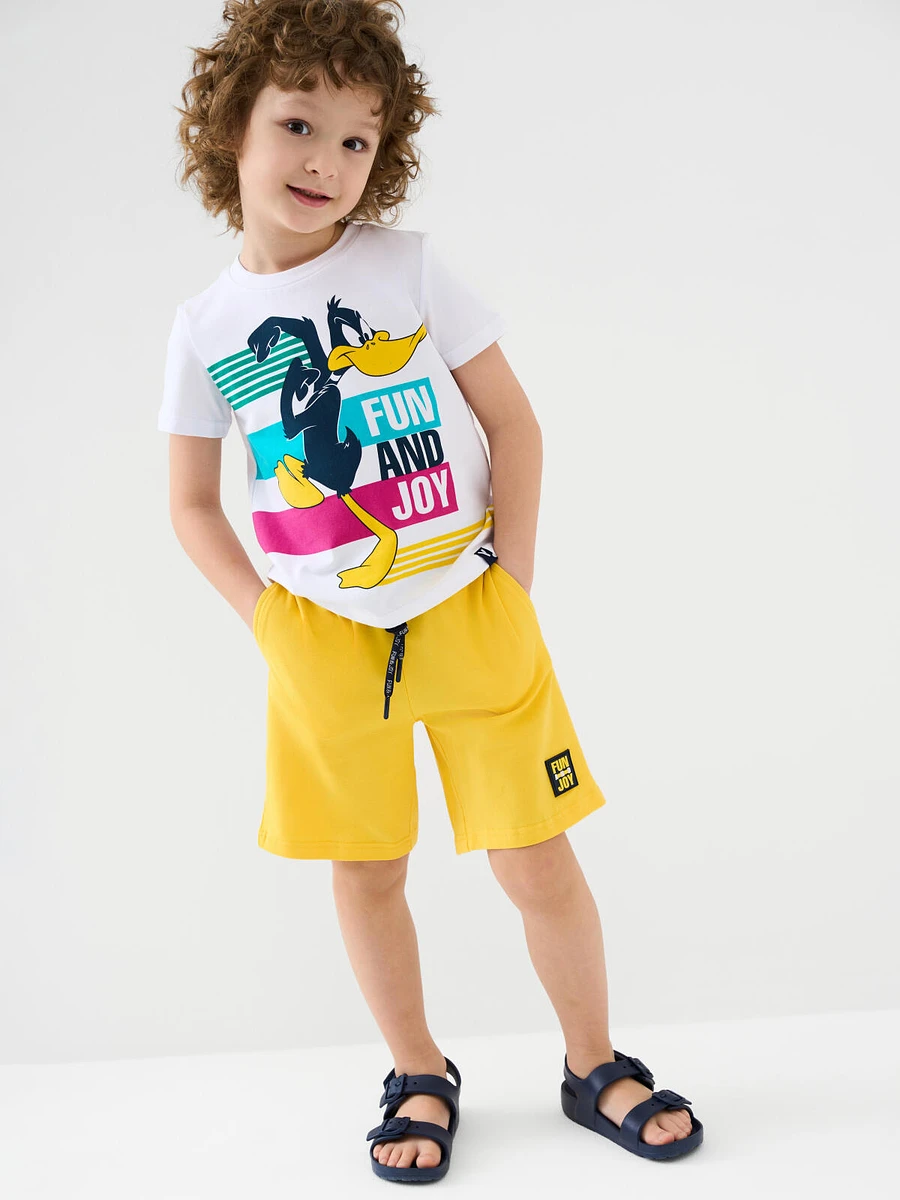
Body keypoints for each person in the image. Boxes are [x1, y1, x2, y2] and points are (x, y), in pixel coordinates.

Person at [158, 0, 702, 1181]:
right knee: (368, 871)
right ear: (231, 126)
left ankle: (594, 1062)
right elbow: (192, 503)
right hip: (322, 642)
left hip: (468, 609)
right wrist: (269, 622)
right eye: (299, 124)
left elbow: (514, 423)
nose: (326, 160)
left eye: (357, 139)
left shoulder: (402, 268)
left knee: (537, 857)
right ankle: (417, 1071)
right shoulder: (206, 329)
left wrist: (514, 577)